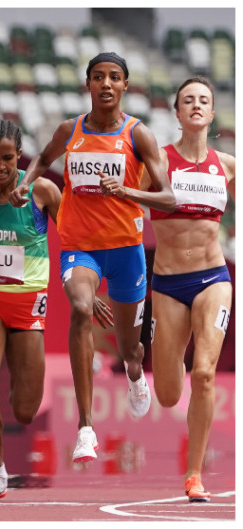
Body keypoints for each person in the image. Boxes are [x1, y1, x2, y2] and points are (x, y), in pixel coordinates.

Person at [8, 52, 175, 464]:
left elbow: (168, 197)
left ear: (125, 86)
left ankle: (136, 376)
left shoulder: (140, 136)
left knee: (129, 348)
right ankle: (87, 428)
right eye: (97, 76)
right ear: (87, 84)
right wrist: (25, 184)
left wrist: (127, 191)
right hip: (80, 248)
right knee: (81, 309)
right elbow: (43, 160)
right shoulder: (71, 130)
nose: (105, 83)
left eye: (114, 77)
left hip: (126, 253)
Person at [0, 119, 112, 500]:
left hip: (29, 308)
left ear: (19, 157)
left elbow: (76, 239)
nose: (0, 167)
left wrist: (88, 288)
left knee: (25, 410)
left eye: (8, 158)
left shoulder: (41, 191)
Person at [142, 77, 235, 502]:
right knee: (166, 394)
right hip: (167, 283)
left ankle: (194, 474)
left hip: (213, 277)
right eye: (188, 101)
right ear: (177, 114)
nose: (196, 106)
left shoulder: (229, 165)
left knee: (205, 372)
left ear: (212, 113)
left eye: (203, 101)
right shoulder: (157, 161)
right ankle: (166, 362)